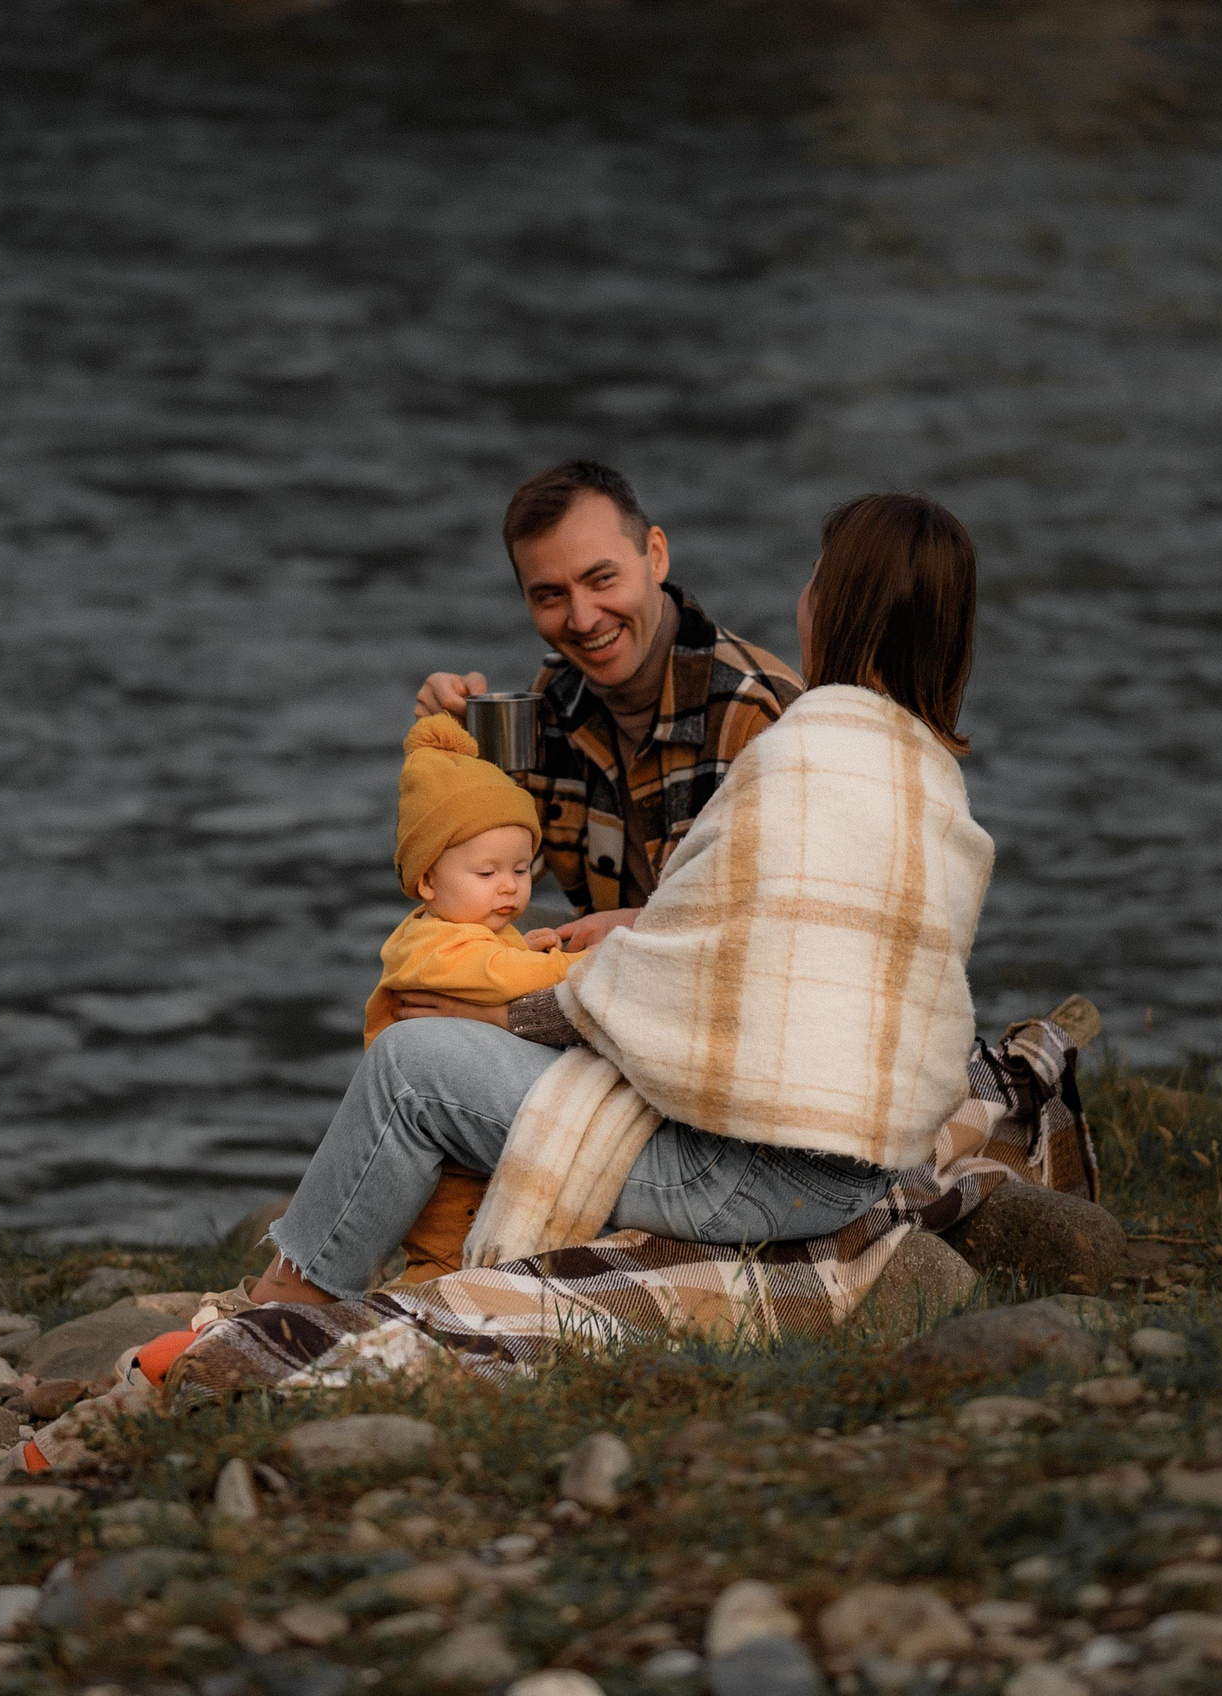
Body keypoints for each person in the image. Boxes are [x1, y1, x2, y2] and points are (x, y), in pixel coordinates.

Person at [251, 492, 992, 1307]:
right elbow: (807, 940)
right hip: (865, 1148)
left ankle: (290, 1307)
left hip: (762, 1168)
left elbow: (710, 983)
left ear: (840, 600)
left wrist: (498, 1016)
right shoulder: (923, 767)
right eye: (548, 593)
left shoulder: (792, 743)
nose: (801, 599)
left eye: (815, 577)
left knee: (410, 1067)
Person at [415, 460, 802, 959]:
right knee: (429, 946)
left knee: (418, 1035)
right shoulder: (559, 691)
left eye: (601, 579)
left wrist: (642, 928)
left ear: (656, 556)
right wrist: (452, 761)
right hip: (618, 986)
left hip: (725, 1002)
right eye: (551, 595)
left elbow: (795, 929)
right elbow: (479, 881)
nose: (582, 618)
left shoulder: (757, 712)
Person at [361, 714, 588, 1283]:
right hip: (435, 1132)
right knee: (444, 1234)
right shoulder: (431, 945)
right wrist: (581, 965)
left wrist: (531, 950)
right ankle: (422, 1295)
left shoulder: (467, 926)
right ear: (428, 882)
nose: (509, 886)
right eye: (487, 872)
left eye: (520, 868)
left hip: (466, 1108)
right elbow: (500, 975)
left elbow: (503, 963)